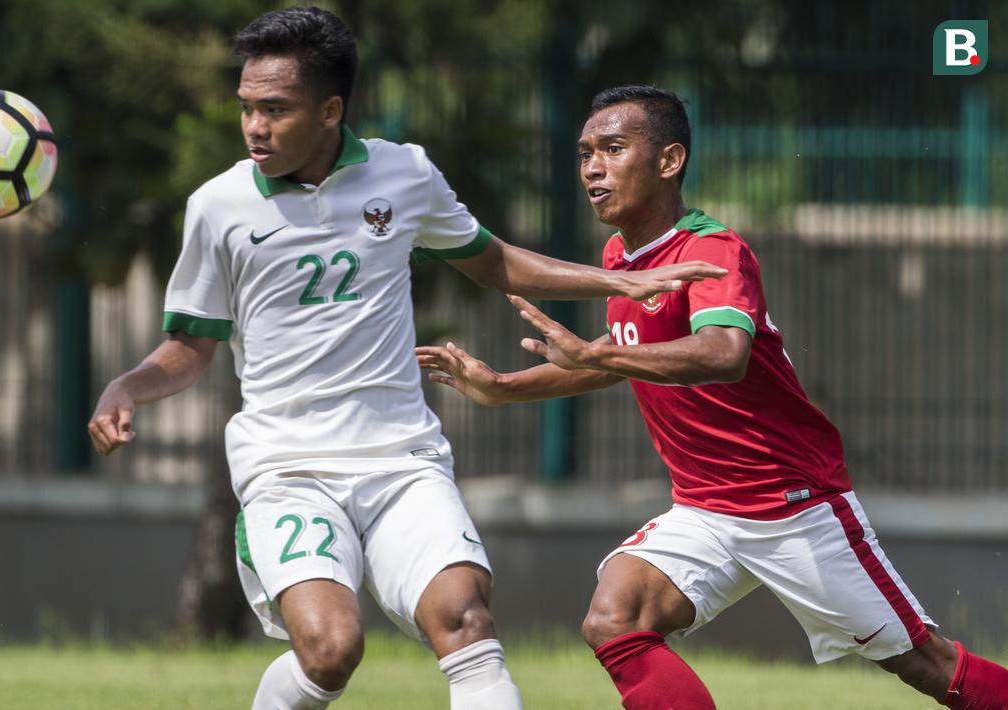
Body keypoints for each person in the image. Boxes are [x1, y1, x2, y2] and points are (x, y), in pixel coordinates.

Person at [88, 12, 723, 707]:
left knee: (467, 622)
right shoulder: (219, 206)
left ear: (330, 110)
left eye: (275, 109)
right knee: (331, 652)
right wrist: (126, 387)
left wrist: (615, 279)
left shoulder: (404, 173)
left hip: (400, 459)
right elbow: (189, 347)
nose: (254, 127)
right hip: (286, 466)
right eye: (246, 108)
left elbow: (494, 262)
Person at [417, 84, 1008, 709]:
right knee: (616, 618)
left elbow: (723, 355)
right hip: (706, 511)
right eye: (586, 151)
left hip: (792, 507)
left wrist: (599, 354)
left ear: (669, 161)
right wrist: (504, 389)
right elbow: (623, 356)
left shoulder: (713, 250)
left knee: (926, 664)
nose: (593, 167)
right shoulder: (623, 257)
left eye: (614, 148)